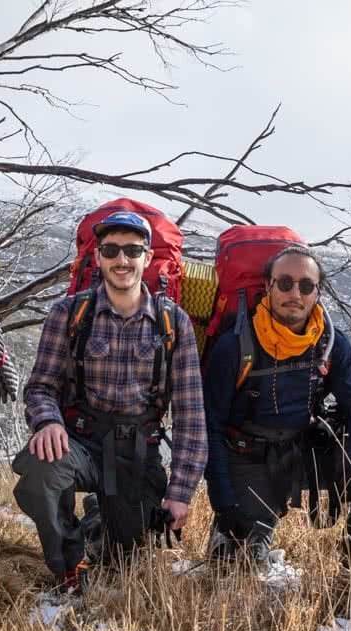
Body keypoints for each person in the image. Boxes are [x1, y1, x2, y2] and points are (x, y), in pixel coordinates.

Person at [13, 211, 207, 593]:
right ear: (98, 256)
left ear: (148, 258)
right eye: (111, 250)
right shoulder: (69, 314)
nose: (122, 260)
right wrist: (48, 422)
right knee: (41, 468)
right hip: (81, 441)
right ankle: (70, 565)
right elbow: (41, 387)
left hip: (137, 451)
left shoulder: (173, 323)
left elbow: (191, 417)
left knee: (124, 564)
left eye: (132, 250)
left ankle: (100, 520)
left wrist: (180, 493)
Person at [202, 244, 351, 573]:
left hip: (302, 450)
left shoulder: (329, 341)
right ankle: (232, 535)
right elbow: (209, 426)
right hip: (248, 457)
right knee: (238, 568)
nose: (295, 292)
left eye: (306, 285)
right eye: (285, 283)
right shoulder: (235, 344)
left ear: (317, 292)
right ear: (268, 286)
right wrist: (224, 501)